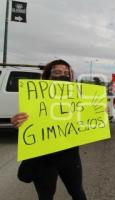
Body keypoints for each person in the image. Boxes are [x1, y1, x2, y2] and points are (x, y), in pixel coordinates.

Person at [11, 59, 87, 200]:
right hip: (44, 159)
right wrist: (18, 123)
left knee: (78, 192)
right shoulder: (35, 97)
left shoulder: (79, 98)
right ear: (48, 76)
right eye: (57, 72)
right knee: (46, 196)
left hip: (70, 156)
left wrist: (101, 113)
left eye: (66, 73)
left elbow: (89, 122)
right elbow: (28, 126)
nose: (62, 75)